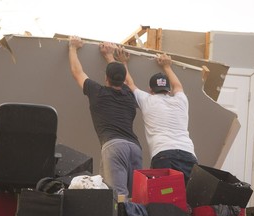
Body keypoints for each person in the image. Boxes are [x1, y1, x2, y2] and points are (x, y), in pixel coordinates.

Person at [68, 36, 142, 201]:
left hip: (115, 147)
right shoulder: (130, 96)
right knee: (135, 196)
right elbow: (128, 82)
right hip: (135, 148)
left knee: (117, 197)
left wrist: (73, 48)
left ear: (105, 78)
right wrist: (111, 57)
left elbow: (77, 72)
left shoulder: (98, 92)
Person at [115, 48, 198, 184]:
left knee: (164, 195)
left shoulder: (147, 100)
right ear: (168, 90)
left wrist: (123, 62)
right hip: (188, 156)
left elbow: (129, 84)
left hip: (164, 155)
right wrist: (167, 66)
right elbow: (178, 85)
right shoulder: (181, 100)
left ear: (150, 90)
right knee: (189, 198)